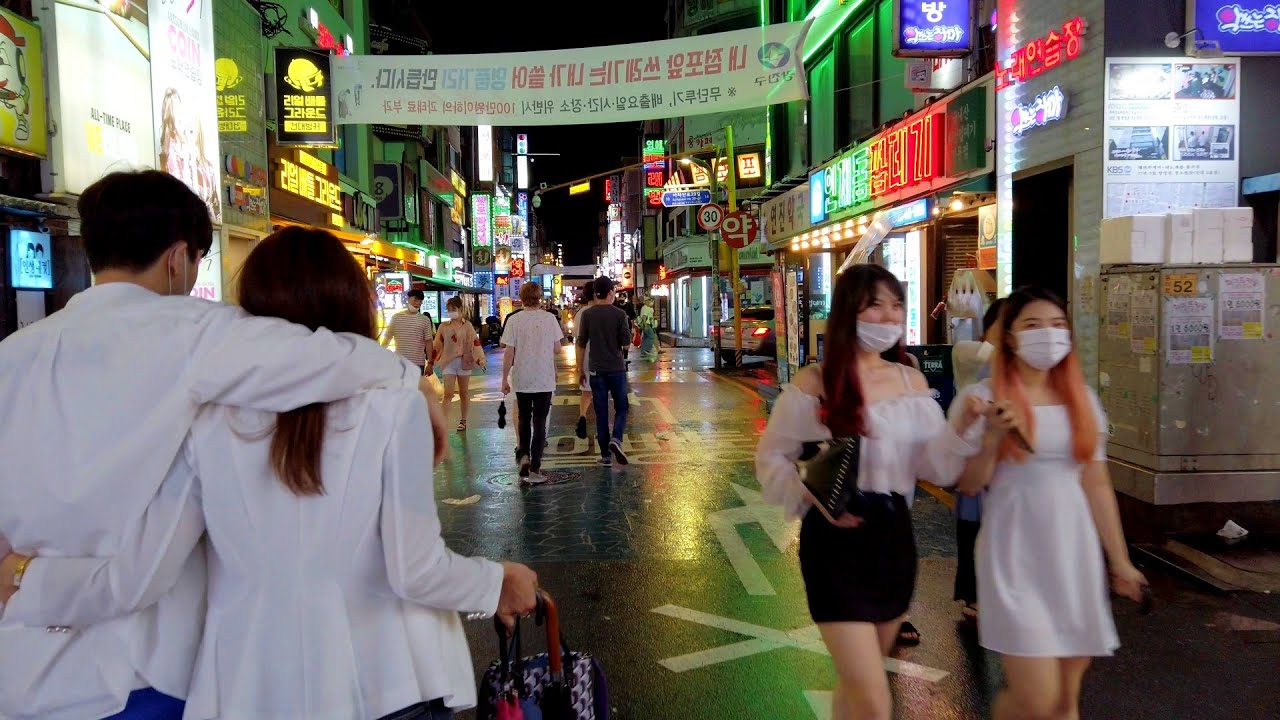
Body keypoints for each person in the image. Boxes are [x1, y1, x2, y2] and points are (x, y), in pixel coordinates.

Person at [0, 227, 540, 720]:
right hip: (387, 679)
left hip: (248, 687)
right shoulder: (392, 407)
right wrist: (496, 583)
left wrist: (27, 578)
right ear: (354, 303)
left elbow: (141, 574)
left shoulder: (204, 422)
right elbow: (414, 569)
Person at [754, 264, 985, 720]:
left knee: (859, 687)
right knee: (874, 696)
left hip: (893, 538)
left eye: (896, 304)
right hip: (834, 544)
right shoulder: (814, 384)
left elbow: (936, 467)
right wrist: (814, 503)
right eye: (874, 304)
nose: (888, 315)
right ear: (847, 313)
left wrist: (964, 423)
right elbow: (771, 458)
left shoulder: (910, 381)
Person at [953, 286, 1148, 720]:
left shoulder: (1084, 401)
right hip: (1013, 552)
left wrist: (1119, 562)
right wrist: (991, 439)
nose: (1049, 335)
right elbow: (968, 485)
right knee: (1037, 699)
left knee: (1063, 703)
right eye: (1033, 325)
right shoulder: (983, 399)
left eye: (1059, 326)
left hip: (1073, 553)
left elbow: (1096, 483)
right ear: (1010, 337)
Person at [949, 297, 1005, 621]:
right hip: (973, 453)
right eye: (1005, 326)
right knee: (972, 527)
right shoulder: (971, 354)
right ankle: (972, 594)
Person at [502, 282, 567, 484]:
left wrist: (504, 378)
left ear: (521, 298)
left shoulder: (514, 320)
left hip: (522, 377)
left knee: (523, 418)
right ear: (540, 298)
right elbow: (557, 349)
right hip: (544, 378)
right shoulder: (549, 319)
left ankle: (523, 456)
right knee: (539, 422)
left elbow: (508, 352)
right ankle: (535, 468)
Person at [576, 277, 633, 467]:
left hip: (596, 369)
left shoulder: (587, 314)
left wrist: (579, 369)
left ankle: (606, 457)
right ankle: (616, 439)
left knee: (601, 412)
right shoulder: (619, 314)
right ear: (610, 293)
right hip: (616, 368)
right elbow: (626, 343)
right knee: (622, 407)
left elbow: (581, 343)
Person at [432, 296, 486, 432]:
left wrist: (480, 358)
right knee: (448, 393)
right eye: (449, 310)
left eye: (453, 309)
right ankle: (442, 422)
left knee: (464, 392)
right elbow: (437, 345)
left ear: (460, 309)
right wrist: (431, 361)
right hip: (448, 362)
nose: (451, 312)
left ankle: (463, 420)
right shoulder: (443, 326)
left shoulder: (467, 326)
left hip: (465, 361)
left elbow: (475, 343)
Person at [382, 289, 436, 375]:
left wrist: (430, 363)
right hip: (399, 363)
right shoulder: (396, 318)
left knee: (416, 388)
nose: (417, 303)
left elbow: (428, 342)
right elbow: (387, 338)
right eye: (415, 300)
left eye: (420, 301)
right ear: (408, 299)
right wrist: (380, 355)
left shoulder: (424, 320)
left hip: (418, 363)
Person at [573, 285, 597, 440]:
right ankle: (600, 428)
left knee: (586, 392)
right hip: (601, 358)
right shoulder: (601, 312)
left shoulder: (579, 313)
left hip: (585, 357)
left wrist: (578, 364)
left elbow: (578, 341)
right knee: (600, 393)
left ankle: (582, 415)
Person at [639, 296, 658, 362]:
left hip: (649, 324)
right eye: (650, 301)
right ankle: (646, 350)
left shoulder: (649, 308)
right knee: (651, 337)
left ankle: (643, 352)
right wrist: (645, 325)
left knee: (646, 337)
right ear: (646, 301)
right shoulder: (645, 308)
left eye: (652, 301)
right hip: (647, 324)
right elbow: (644, 317)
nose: (651, 302)